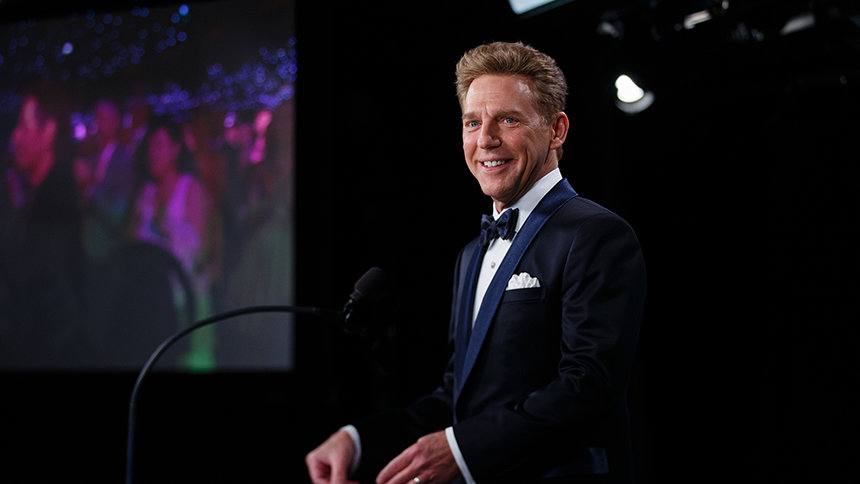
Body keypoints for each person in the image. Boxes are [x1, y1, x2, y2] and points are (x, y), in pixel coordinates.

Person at [305, 41, 647, 484]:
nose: (485, 139)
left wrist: (464, 449)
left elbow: (588, 388)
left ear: (557, 130)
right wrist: (358, 440)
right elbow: (458, 399)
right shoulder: (471, 255)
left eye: (508, 119)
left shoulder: (596, 233)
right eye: (472, 122)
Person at [0, 80, 87, 366]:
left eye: (23, 127)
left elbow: (46, 292)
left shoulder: (56, 198)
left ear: (48, 131)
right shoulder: (41, 191)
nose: (15, 136)